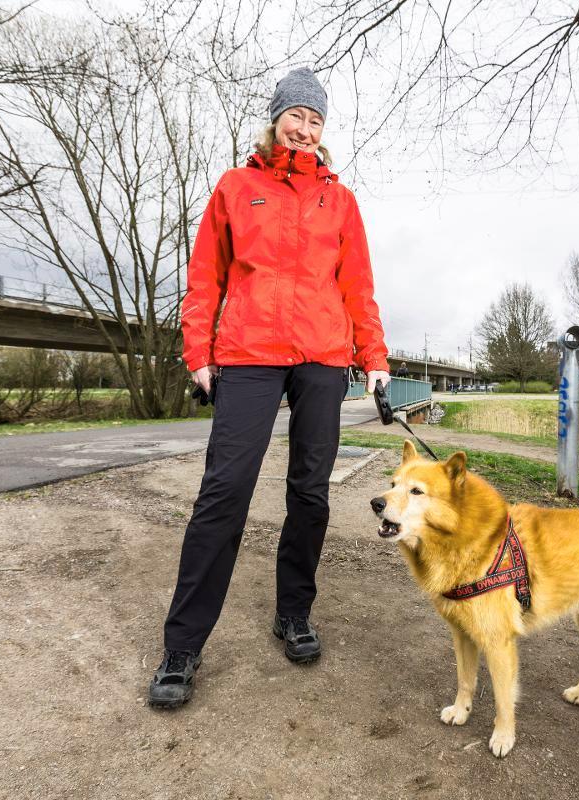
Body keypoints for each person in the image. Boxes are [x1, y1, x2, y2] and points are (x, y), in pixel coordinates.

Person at [148, 67, 390, 708]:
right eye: (296, 117)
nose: (305, 129)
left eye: (316, 120)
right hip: (249, 353)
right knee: (223, 493)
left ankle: (294, 612)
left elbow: (357, 286)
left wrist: (375, 357)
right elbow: (206, 275)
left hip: (322, 355)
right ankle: (182, 646)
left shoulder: (339, 200)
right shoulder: (236, 187)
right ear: (276, 118)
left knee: (310, 492)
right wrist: (197, 350)